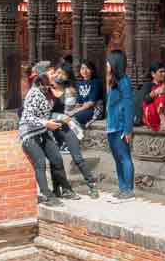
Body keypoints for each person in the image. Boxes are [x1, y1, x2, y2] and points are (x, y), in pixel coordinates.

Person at [18, 74, 77, 206]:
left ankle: (64, 189)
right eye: (51, 76)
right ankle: (48, 196)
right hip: (29, 133)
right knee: (40, 163)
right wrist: (46, 124)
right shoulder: (33, 93)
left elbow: (47, 114)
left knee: (56, 158)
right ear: (41, 81)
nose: (55, 77)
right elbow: (27, 116)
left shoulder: (48, 93)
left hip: (43, 131)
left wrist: (60, 117)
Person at [49, 63, 100, 199]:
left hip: (67, 127)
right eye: (57, 73)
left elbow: (69, 111)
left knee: (78, 158)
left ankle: (92, 186)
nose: (59, 76)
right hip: (53, 128)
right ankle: (56, 189)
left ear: (67, 76)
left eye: (62, 74)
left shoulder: (70, 90)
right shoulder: (48, 91)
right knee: (55, 160)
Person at [105, 50, 136, 201]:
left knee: (124, 158)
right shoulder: (113, 82)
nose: (106, 64)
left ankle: (129, 190)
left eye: (108, 62)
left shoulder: (124, 81)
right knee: (117, 158)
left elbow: (129, 106)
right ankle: (122, 187)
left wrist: (128, 129)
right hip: (111, 126)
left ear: (115, 63)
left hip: (120, 126)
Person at [71, 59, 104, 127]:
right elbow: (79, 102)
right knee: (68, 115)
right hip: (84, 108)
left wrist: (76, 111)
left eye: (87, 68)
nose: (84, 71)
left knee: (76, 116)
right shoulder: (79, 83)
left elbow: (91, 103)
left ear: (92, 70)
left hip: (95, 109)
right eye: (82, 68)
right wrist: (73, 110)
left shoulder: (96, 82)